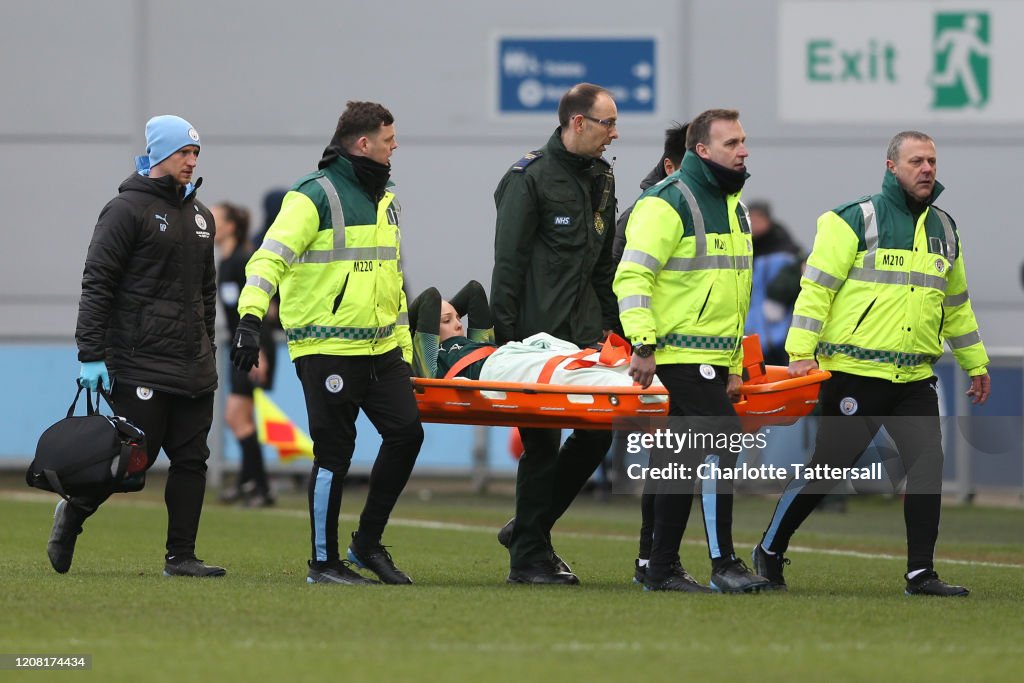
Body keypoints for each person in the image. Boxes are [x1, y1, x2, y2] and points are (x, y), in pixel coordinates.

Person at [752, 131, 991, 597]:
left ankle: (921, 573)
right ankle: (770, 548)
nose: (927, 169)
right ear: (891, 166)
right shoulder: (852, 219)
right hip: (853, 374)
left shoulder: (945, 228)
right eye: (916, 161)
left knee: (927, 464)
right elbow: (815, 290)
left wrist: (975, 363)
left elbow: (957, 306)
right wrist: (801, 353)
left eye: (932, 162)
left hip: (914, 378)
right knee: (829, 468)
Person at [232, 101, 423, 586]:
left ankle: (366, 544)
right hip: (327, 348)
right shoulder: (311, 196)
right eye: (388, 138)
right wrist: (250, 321)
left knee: (407, 435)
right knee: (334, 455)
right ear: (363, 144)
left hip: (383, 351)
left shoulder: (388, 198)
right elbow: (265, 262)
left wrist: (403, 346)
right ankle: (323, 562)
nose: (395, 145)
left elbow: (394, 279)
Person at [48, 115, 225, 578]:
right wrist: (90, 354)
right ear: (159, 154)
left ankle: (181, 557)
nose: (192, 161)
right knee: (125, 465)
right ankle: (72, 515)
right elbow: (98, 283)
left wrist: (207, 343)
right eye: (184, 153)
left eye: (195, 154)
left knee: (191, 461)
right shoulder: (124, 210)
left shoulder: (202, 217)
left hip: (194, 366)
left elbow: (206, 292)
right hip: (141, 362)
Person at [614, 108, 769, 593]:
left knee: (677, 461)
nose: (743, 150)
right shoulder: (665, 202)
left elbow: (736, 294)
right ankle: (722, 563)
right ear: (701, 150)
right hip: (676, 353)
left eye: (743, 141)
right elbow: (633, 276)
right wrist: (642, 342)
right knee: (723, 437)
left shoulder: (736, 207)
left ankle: (658, 568)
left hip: (710, 357)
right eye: (731, 143)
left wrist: (737, 363)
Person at [490, 82, 619, 585]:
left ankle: (528, 526)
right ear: (578, 123)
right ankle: (527, 559)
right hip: (535, 340)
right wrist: (507, 341)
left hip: (586, 335)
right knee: (541, 446)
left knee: (596, 432)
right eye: (607, 123)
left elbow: (601, 266)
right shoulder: (528, 179)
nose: (615, 134)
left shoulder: (603, 179)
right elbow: (509, 265)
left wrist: (610, 327)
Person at [611, 121, 689, 580]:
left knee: (670, 453)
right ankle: (658, 559)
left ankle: (650, 557)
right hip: (653, 350)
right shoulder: (653, 208)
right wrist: (640, 343)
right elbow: (625, 278)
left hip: (676, 349)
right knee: (682, 450)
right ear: (672, 164)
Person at [408, 281, 659, 392]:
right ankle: (652, 388)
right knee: (572, 372)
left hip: (508, 354)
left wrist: (447, 315)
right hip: (495, 370)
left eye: (457, 318)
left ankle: (656, 380)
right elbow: (430, 297)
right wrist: (407, 333)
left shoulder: (473, 343)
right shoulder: (430, 362)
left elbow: (474, 291)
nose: (458, 325)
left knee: (585, 360)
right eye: (446, 321)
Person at [213, 201, 278, 507]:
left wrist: (261, 352)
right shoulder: (224, 262)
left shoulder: (243, 260)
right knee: (242, 418)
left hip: (253, 350)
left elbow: (260, 312)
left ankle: (262, 488)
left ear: (230, 227)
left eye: (214, 218)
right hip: (240, 349)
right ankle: (247, 484)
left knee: (235, 417)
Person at [745, 200, 803, 366]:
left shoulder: (787, 251)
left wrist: (778, 299)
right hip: (752, 330)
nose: (754, 224)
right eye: (751, 220)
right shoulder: (745, 247)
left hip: (780, 330)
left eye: (758, 219)